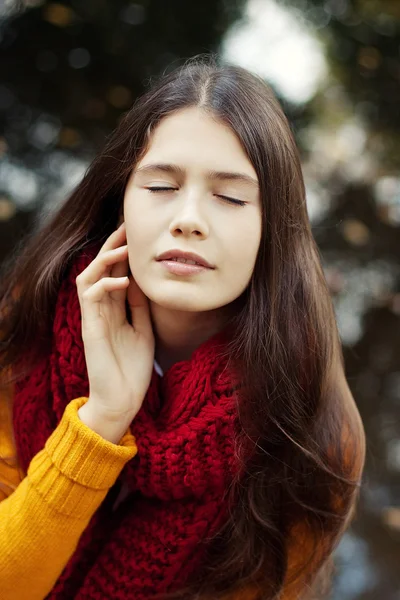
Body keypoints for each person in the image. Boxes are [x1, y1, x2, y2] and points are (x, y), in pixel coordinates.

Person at [0, 54, 366, 600]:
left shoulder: (311, 428)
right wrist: (100, 423)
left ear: (274, 231)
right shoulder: (29, 324)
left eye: (230, 196)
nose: (188, 217)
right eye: (160, 186)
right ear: (119, 200)